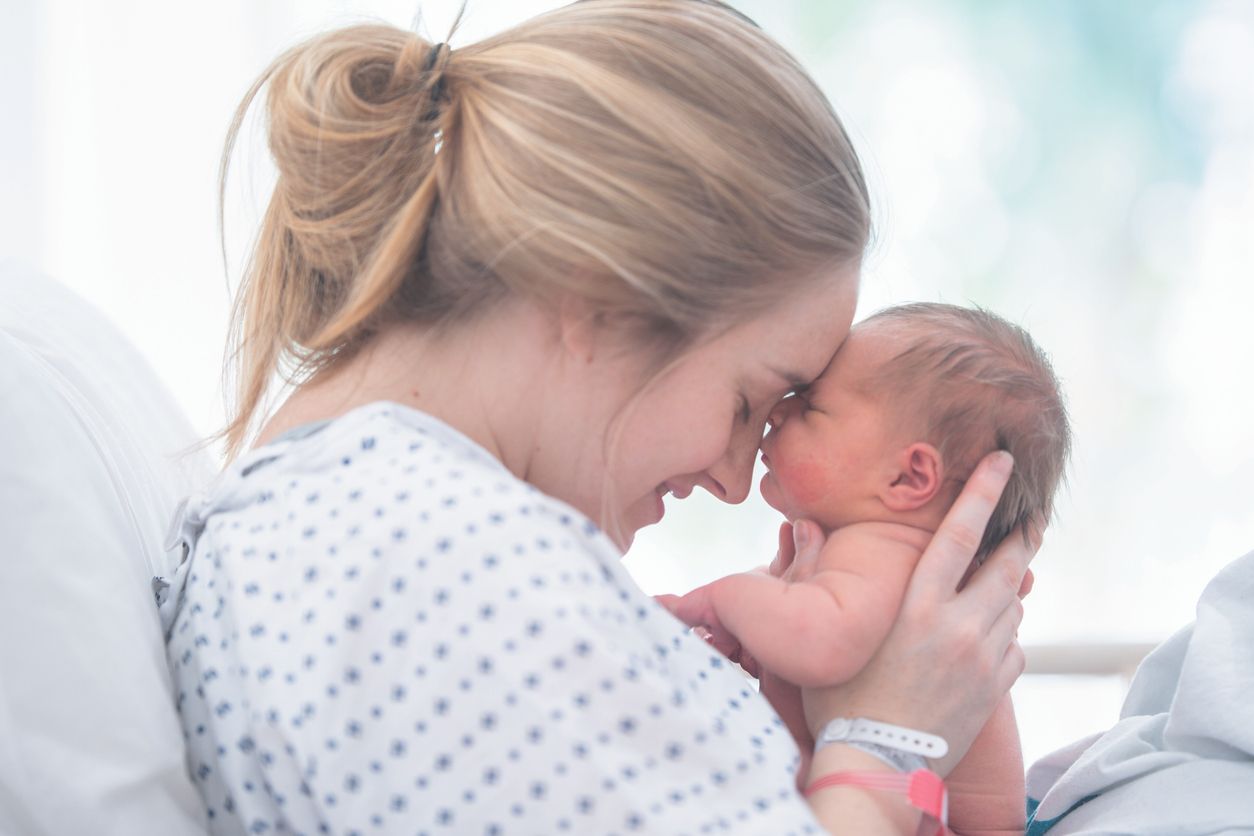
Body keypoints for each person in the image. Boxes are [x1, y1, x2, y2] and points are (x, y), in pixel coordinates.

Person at [159, 2, 1036, 833]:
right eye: (746, 403)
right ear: (600, 295)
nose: (739, 483)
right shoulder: (440, 563)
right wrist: (890, 742)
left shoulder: (382, 527)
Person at [663, 302, 1070, 833]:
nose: (777, 412)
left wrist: (723, 600)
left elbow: (821, 641)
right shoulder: (884, 561)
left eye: (811, 406)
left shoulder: (887, 551)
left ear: (908, 477)